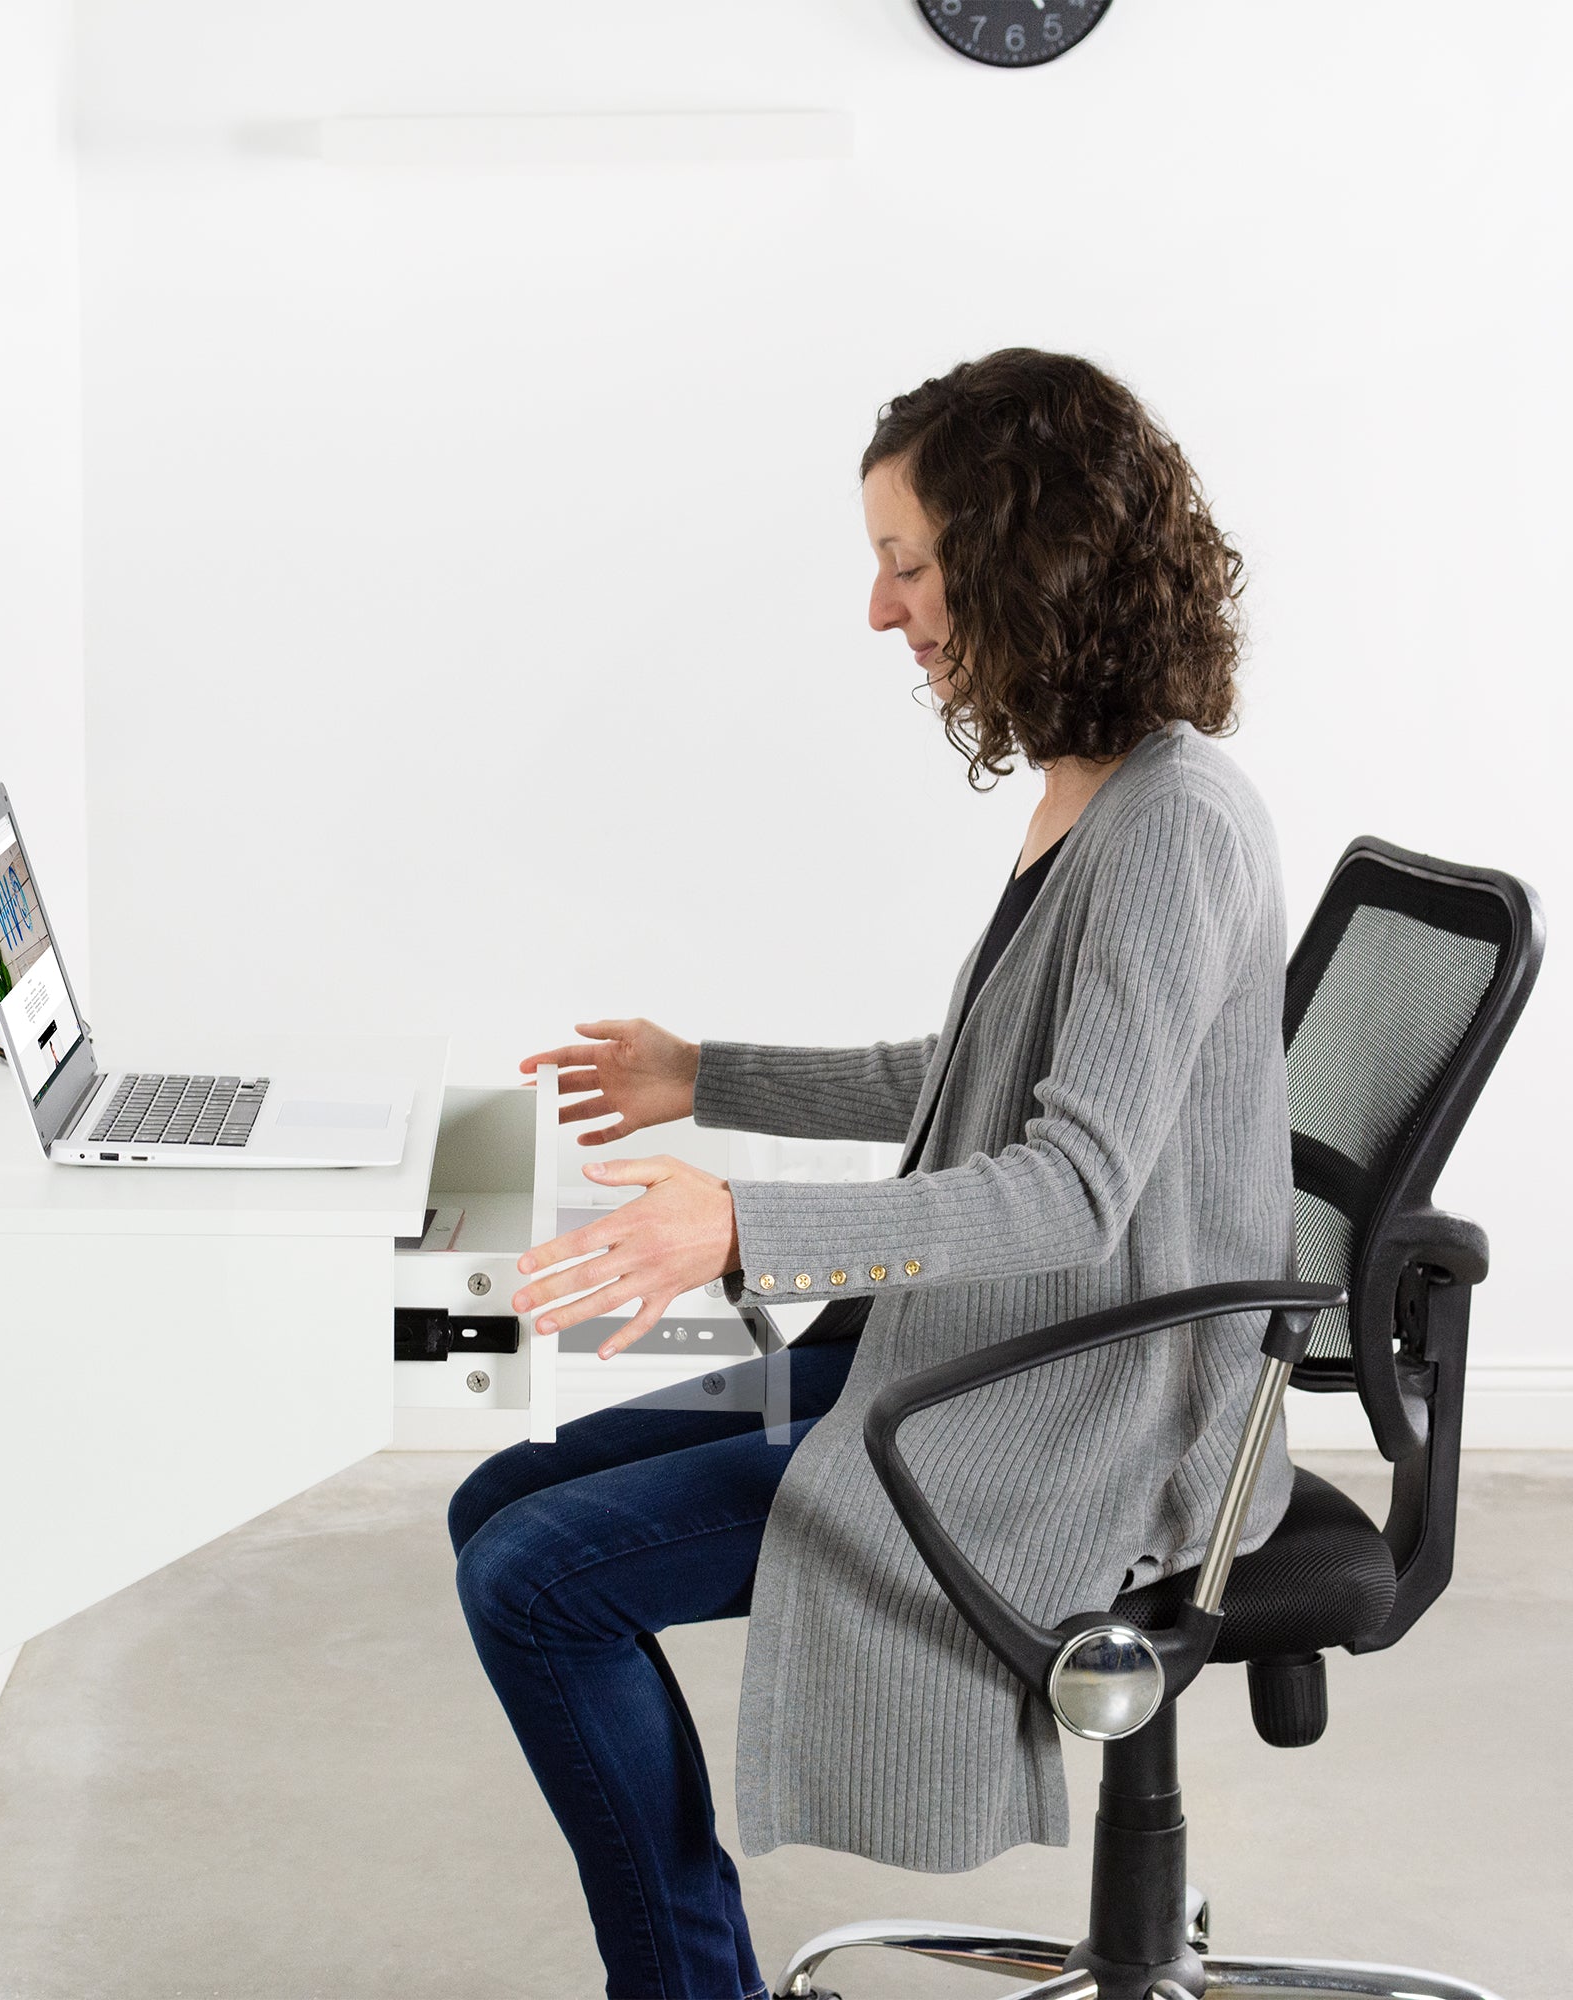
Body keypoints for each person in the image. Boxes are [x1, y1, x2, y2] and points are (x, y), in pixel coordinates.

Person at [448, 349, 1295, 2000]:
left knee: (536, 1580)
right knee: (499, 1502)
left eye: (908, 562)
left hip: (1087, 1412)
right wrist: (716, 1077)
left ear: (1024, 553)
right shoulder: (1097, 783)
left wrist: (744, 1225)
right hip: (1000, 1347)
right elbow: (981, 1082)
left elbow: (1065, 1188)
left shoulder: (1169, 821)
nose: (880, 610)